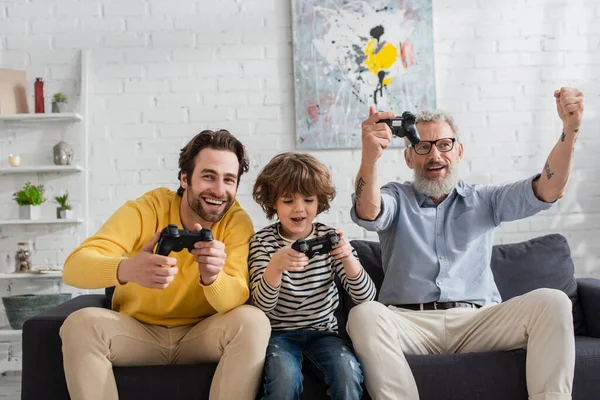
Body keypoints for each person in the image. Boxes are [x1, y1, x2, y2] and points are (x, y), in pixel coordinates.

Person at [348, 87, 584, 400]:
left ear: (458, 151)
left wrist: (570, 129)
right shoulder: (396, 198)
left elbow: (548, 189)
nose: (435, 155)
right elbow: (368, 210)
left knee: (554, 301)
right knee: (363, 315)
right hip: (408, 323)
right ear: (408, 157)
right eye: (422, 146)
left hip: (478, 322)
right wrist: (369, 157)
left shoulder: (486, 200)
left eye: (444, 145)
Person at [60, 129, 271, 400]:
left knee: (253, 321)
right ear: (185, 179)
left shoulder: (236, 222)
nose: (219, 190)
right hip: (138, 333)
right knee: (79, 324)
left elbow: (237, 298)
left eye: (229, 180)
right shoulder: (148, 209)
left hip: (202, 334)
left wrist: (213, 277)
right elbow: (74, 266)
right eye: (208, 176)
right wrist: (128, 269)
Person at [249, 152, 377, 400]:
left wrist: (347, 257)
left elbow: (365, 298)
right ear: (273, 202)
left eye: (308, 200)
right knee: (283, 381)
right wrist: (275, 266)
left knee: (347, 374)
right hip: (278, 335)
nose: (299, 209)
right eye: (287, 201)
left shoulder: (329, 237)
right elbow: (262, 306)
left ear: (319, 201)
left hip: (324, 334)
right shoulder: (262, 242)